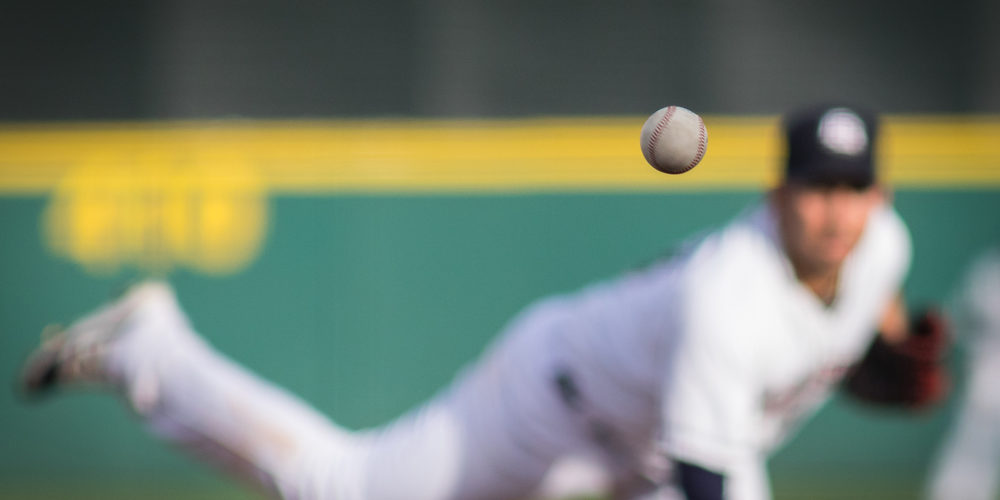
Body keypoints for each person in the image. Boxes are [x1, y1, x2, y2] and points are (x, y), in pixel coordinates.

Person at [18, 104, 949, 500]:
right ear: (778, 193)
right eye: (816, 188)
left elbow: (877, 316)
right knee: (343, 490)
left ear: (880, 197)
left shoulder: (882, 251)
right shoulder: (727, 297)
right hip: (557, 402)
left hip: (663, 440)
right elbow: (702, 475)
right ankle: (148, 349)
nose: (835, 212)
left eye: (853, 188)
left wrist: (883, 345)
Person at [927, 246, 1000, 500]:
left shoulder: (986, 272)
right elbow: (955, 321)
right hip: (990, 375)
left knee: (973, 448)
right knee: (971, 448)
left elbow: (955, 321)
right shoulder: (989, 273)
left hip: (986, 374)